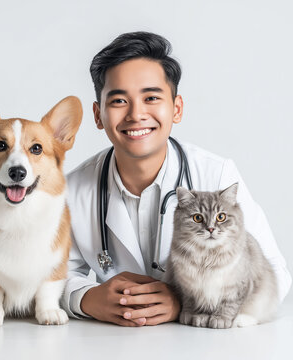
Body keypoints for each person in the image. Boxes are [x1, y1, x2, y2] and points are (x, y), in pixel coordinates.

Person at [61, 32, 291, 326]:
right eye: (119, 100)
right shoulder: (72, 189)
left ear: (177, 108)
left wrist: (184, 299)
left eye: (151, 98)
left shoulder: (216, 174)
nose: (136, 114)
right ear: (98, 114)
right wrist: (85, 299)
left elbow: (276, 275)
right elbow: (46, 278)